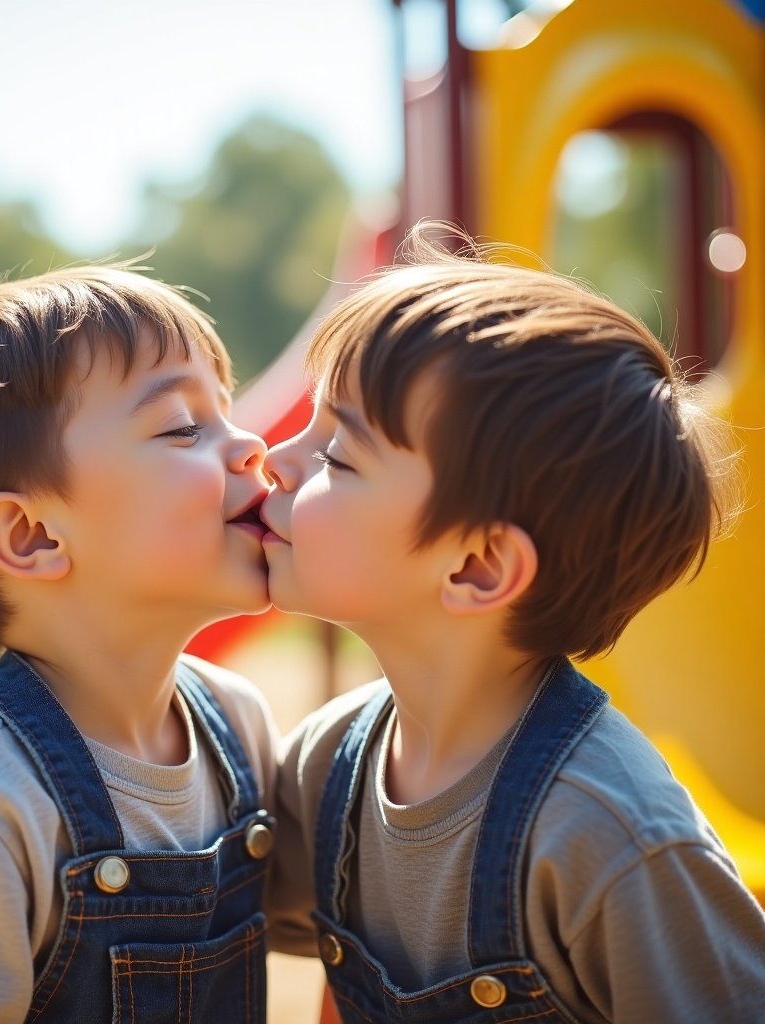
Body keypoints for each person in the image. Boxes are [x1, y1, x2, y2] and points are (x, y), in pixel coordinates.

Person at [261, 221, 765, 1023]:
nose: (275, 460)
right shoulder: (328, 767)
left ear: (477, 568)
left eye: (336, 456)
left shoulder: (607, 835)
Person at [0, 265, 279, 1023]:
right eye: (182, 426)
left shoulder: (236, 725)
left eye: (229, 411)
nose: (251, 447)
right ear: (32, 535)